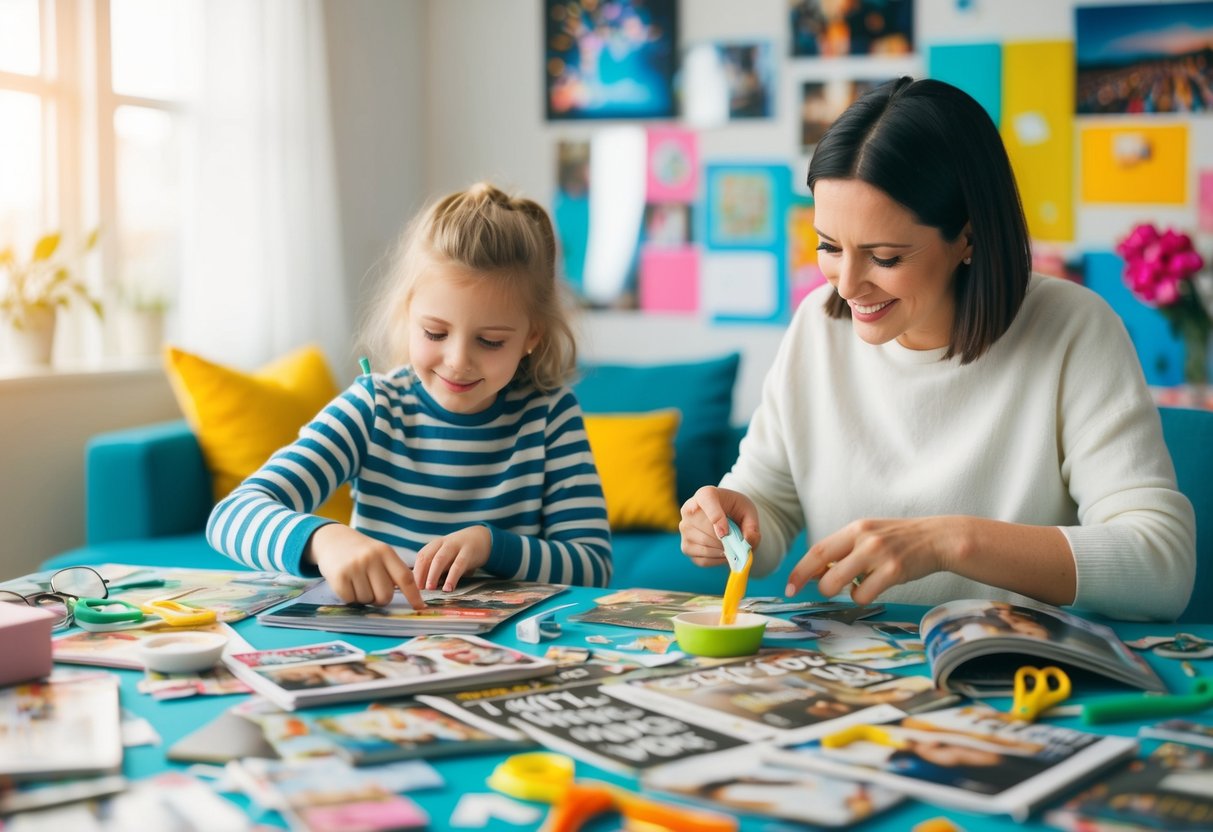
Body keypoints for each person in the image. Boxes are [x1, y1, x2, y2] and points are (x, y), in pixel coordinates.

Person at [679, 77, 1195, 622]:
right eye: (829, 247)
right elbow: (769, 507)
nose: (847, 285)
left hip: (1014, 673)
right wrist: (730, 527)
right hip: (856, 675)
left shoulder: (1074, 330)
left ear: (967, 239)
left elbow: (1162, 565)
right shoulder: (816, 327)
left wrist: (950, 542)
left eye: (884, 257)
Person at [207, 183, 612, 608]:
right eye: (435, 333)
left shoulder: (549, 416)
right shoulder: (375, 408)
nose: (458, 361)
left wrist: (493, 546)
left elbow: (593, 565)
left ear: (531, 337)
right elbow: (231, 516)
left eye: (491, 341)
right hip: (381, 648)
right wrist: (324, 539)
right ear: (407, 314)